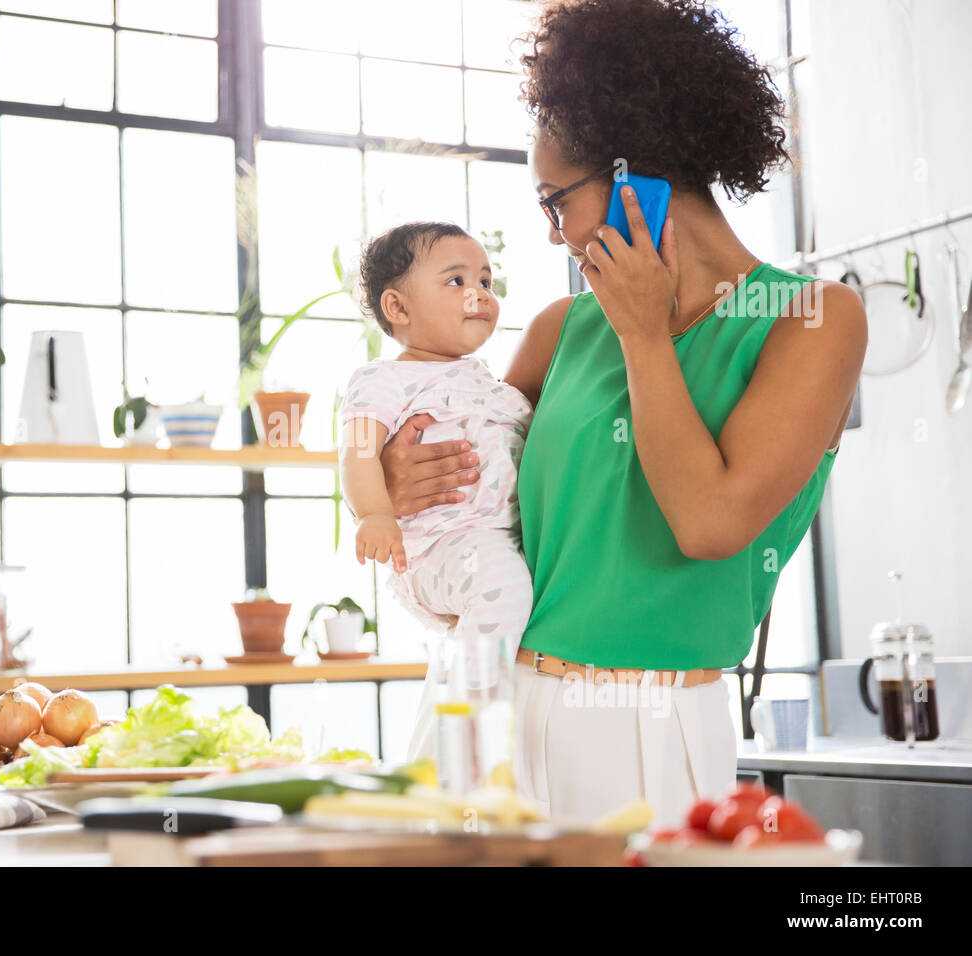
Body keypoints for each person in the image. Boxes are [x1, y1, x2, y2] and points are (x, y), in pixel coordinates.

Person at [371, 0, 867, 829]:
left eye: (556, 199)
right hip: (487, 700)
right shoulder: (562, 330)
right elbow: (458, 473)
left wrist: (645, 333)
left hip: (651, 725)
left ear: (637, 173)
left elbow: (709, 523)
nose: (555, 232)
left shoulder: (813, 319)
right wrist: (395, 475)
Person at [338, 222, 535, 763]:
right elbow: (356, 450)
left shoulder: (489, 383)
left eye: (486, 281)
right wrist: (373, 512)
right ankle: (471, 744)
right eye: (455, 281)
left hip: (492, 542)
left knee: (509, 580)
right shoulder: (379, 381)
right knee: (504, 585)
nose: (479, 294)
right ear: (397, 308)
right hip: (438, 548)